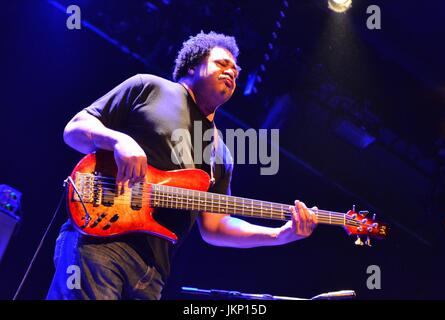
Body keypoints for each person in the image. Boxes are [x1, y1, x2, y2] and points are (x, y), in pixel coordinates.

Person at [46, 31, 318, 300]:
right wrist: (119, 141)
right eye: (222, 63)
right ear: (192, 65)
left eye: (236, 70)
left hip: (152, 274)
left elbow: (215, 226)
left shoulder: (220, 154)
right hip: (102, 241)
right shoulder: (151, 87)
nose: (232, 72)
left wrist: (280, 234)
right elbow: (75, 129)